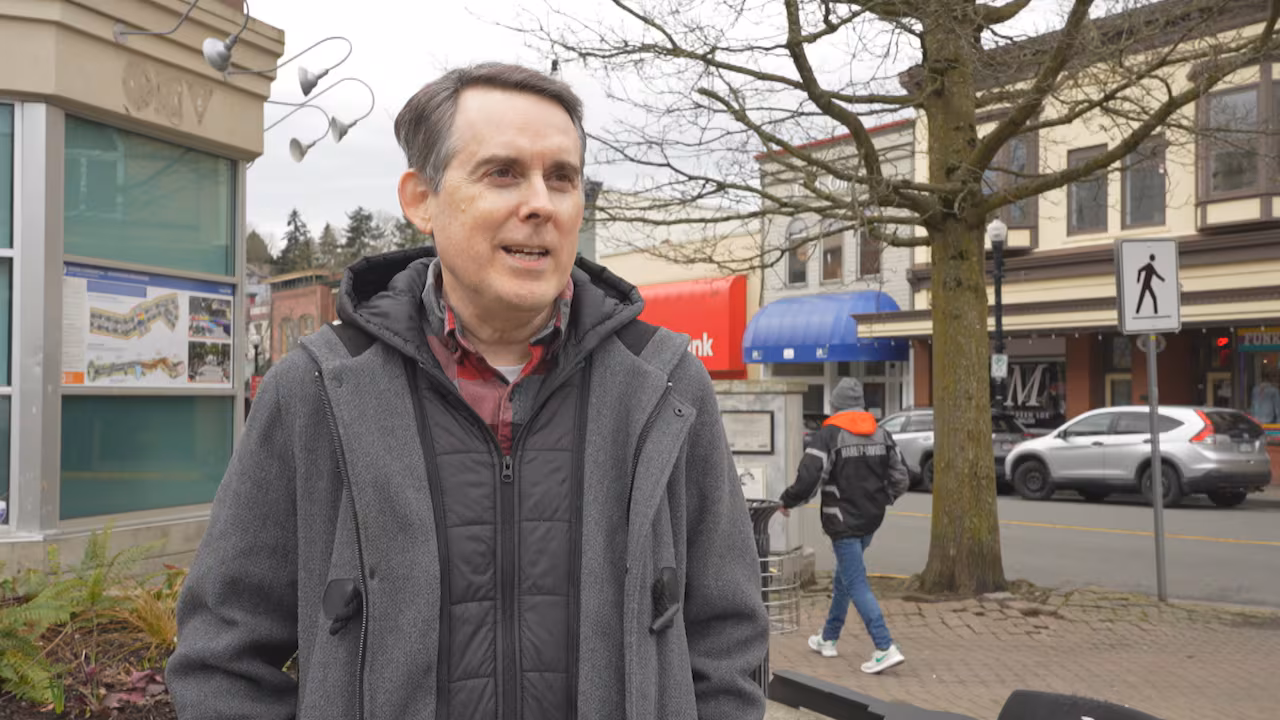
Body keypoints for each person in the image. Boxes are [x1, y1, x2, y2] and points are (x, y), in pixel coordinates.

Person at [167, 63, 769, 720]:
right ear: (421, 198)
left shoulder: (664, 385)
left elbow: (727, 643)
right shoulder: (318, 390)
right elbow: (222, 658)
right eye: (503, 172)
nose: (540, 202)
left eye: (562, 178)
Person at [778, 378, 909, 675]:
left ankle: (885, 646)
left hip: (841, 519)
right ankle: (828, 638)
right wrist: (883, 499)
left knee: (856, 582)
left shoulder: (829, 435)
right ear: (861, 405)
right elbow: (901, 477)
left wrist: (788, 501)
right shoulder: (882, 433)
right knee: (845, 578)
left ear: (834, 405)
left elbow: (809, 477)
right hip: (871, 519)